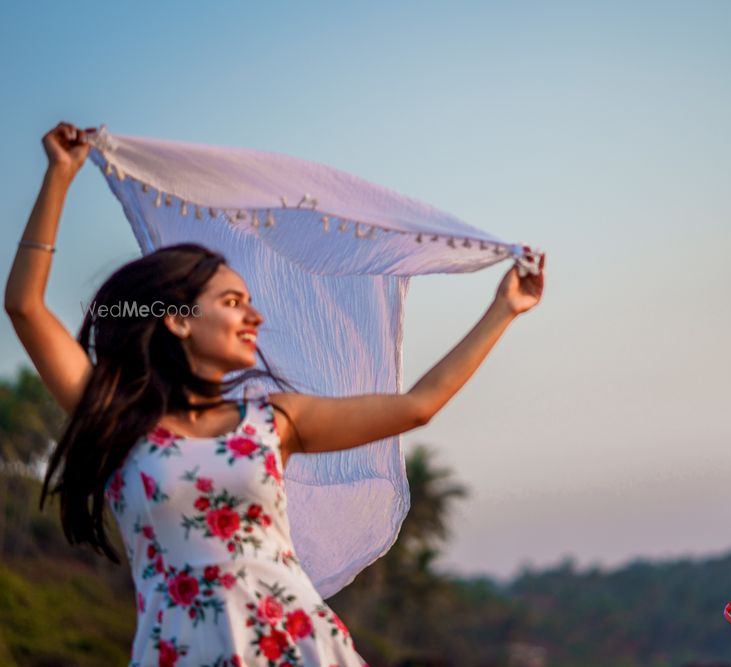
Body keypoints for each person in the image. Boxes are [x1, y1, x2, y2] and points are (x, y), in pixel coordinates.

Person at [5, 122, 545, 666]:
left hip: (297, 647)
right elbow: (25, 307)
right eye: (234, 302)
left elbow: (417, 407)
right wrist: (60, 175)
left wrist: (504, 309)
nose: (254, 315)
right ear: (180, 320)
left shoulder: (274, 421)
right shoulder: (117, 418)